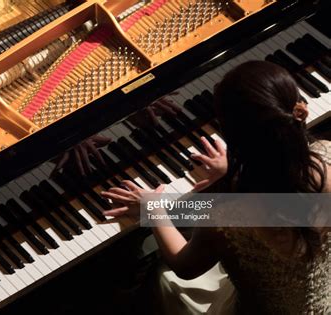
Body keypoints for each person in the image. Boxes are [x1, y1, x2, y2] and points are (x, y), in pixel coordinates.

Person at [100, 61, 331, 314]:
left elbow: (184, 266)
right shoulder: (327, 154)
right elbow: (284, 195)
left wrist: (152, 209)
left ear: (233, 137)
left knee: (164, 277)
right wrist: (231, 176)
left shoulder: (227, 216)